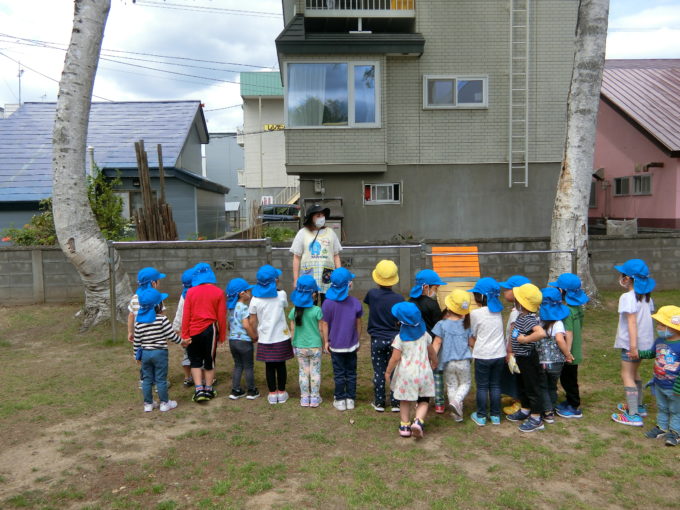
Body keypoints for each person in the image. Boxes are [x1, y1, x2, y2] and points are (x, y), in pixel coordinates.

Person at [611, 259, 656, 427]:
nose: (620, 278)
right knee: (635, 373)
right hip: (646, 343)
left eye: (622, 275)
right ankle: (638, 405)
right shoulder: (646, 297)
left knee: (626, 375)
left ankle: (633, 415)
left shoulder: (627, 297)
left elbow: (631, 322)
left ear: (628, 279)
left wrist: (632, 347)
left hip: (632, 345)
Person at [385, 302, 437, 438]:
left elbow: (395, 358)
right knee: (424, 400)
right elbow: (432, 353)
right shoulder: (425, 335)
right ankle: (418, 421)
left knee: (404, 400)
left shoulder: (399, 339)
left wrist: (388, 371)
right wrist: (435, 362)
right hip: (424, 373)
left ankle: (405, 426)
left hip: (406, 375)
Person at [181, 262, 227, 403]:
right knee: (209, 360)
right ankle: (208, 389)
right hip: (210, 330)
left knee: (194, 361)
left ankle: (198, 389)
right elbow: (221, 316)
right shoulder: (218, 292)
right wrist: (222, 335)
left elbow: (186, 314)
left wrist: (185, 335)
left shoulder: (190, 292)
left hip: (193, 330)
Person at [249, 264, 293, 405]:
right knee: (281, 365)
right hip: (281, 337)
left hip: (265, 338)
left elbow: (252, 321)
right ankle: (281, 391)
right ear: (275, 281)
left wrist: (254, 335)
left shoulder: (255, 299)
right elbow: (285, 305)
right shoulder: (282, 295)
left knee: (269, 366)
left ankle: (272, 393)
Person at [364, 260, 404, 413]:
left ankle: (379, 402)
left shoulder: (372, 295)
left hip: (377, 339)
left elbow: (370, 304)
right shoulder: (399, 299)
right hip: (395, 339)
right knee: (394, 370)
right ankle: (395, 402)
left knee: (379, 371)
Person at [505, 283, 547, 432]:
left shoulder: (529, 318)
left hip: (529, 358)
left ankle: (536, 418)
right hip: (521, 358)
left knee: (532, 387)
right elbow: (515, 334)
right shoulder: (521, 317)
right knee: (523, 384)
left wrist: (524, 340)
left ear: (521, 303)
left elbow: (540, 333)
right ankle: (525, 409)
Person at [321, 267, 363, 411]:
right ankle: (350, 399)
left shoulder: (327, 303)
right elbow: (358, 323)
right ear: (348, 284)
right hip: (351, 345)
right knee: (351, 372)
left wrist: (326, 341)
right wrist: (357, 339)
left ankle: (340, 399)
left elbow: (325, 324)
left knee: (339, 373)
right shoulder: (355, 302)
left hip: (336, 345)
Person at [548, 273, 589, 419]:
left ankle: (574, 405)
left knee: (568, 380)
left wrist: (567, 354)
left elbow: (568, 333)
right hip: (575, 350)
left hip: (570, 353)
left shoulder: (567, 311)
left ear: (563, 291)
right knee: (571, 378)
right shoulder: (577, 308)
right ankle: (571, 401)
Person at [134, 287, 181, 413]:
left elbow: (137, 342)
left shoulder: (139, 322)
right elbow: (171, 336)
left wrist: (136, 356)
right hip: (160, 353)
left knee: (147, 379)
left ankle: (148, 404)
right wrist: (182, 342)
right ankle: (165, 403)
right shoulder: (162, 319)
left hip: (145, 354)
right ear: (158, 305)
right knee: (161, 379)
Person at [469, 277, 507, 426]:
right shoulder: (498, 313)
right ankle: (496, 416)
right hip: (499, 354)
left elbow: (473, 334)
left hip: (483, 355)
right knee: (496, 385)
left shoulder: (475, 314)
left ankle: (481, 416)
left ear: (481, 296)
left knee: (483, 386)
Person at [640, 306, 680, 446]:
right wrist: (639, 354)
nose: (659, 327)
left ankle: (675, 433)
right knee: (662, 407)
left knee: (676, 410)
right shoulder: (660, 341)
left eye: (662, 324)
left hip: (675, 387)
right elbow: (652, 354)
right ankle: (662, 428)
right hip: (659, 383)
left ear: (674, 327)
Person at [432, 289, 472, 421]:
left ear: (448, 307)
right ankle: (457, 402)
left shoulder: (441, 324)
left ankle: (456, 415)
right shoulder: (467, 325)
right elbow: (471, 342)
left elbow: (437, 343)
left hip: (447, 362)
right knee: (465, 383)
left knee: (451, 386)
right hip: (464, 362)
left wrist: (432, 359)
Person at [290, 204, 342, 304]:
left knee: (328, 306)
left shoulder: (330, 232)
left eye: (322, 215)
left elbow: (336, 255)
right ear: (311, 217)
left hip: (327, 275)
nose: (321, 218)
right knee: (309, 306)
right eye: (318, 215)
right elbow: (296, 257)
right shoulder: (302, 233)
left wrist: (340, 275)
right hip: (308, 276)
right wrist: (296, 279)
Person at [536, 287, 573, 423]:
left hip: (542, 362)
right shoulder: (558, 323)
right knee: (552, 386)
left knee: (543, 387)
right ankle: (551, 407)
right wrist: (567, 354)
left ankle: (547, 411)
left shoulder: (539, 322)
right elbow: (559, 339)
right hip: (557, 363)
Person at [129, 267, 167, 391]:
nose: (159, 283)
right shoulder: (157, 298)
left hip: (141, 336)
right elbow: (162, 315)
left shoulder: (135, 298)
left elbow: (131, 315)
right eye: (158, 281)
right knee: (158, 360)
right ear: (153, 283)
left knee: (143, 359)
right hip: (156, 337)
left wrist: (130, 332)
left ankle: (144, 380)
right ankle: (159, 383)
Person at [289, 275, 324, 408]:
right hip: (315, 346)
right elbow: (321, 329)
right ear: (314, 295)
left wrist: (293, 343)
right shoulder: (317, 310)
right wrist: (323, 342)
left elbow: (292, 330)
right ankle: (314, 398)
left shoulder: (294, 311)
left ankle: (304, 398)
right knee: (315, 372)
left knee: (303, 372)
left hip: (299, 346)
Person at [498, 275, 531, 415]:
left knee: (518, 376)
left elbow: (513, 333)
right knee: (512, 373)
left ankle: (519, 402)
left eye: (507, 289)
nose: (504, 292)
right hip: (517, 350)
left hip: (516, 351)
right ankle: (514, 397)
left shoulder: (518, 313)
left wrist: (509, 350)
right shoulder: (519, 310)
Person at [226, 277, 259, 401]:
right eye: (248, 291)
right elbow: (246, 325)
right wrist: (253, 336)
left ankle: (235, 390)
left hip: (232, 341)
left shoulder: (230, 308)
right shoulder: (243, 307)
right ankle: (251, 390)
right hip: (244, 342)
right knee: (249, 366)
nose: (250, 293)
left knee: (238, 365)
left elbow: (230, 325)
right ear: (242, 293)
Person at [173, 266, 196, 387]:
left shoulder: (183, 296)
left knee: (187, 355)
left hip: (186, 332)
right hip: (199, 330)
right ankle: (202, 378)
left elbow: (179, 314)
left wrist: (176, 328)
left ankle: (188, 378)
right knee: (200, 355)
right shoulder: (198, 294)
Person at [408, 269, 445, 335]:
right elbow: (439, 326)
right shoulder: (432, 304)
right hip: (430, 342)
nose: (436, 292)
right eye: (435, 289)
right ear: (426, 287)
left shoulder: (410, 301)